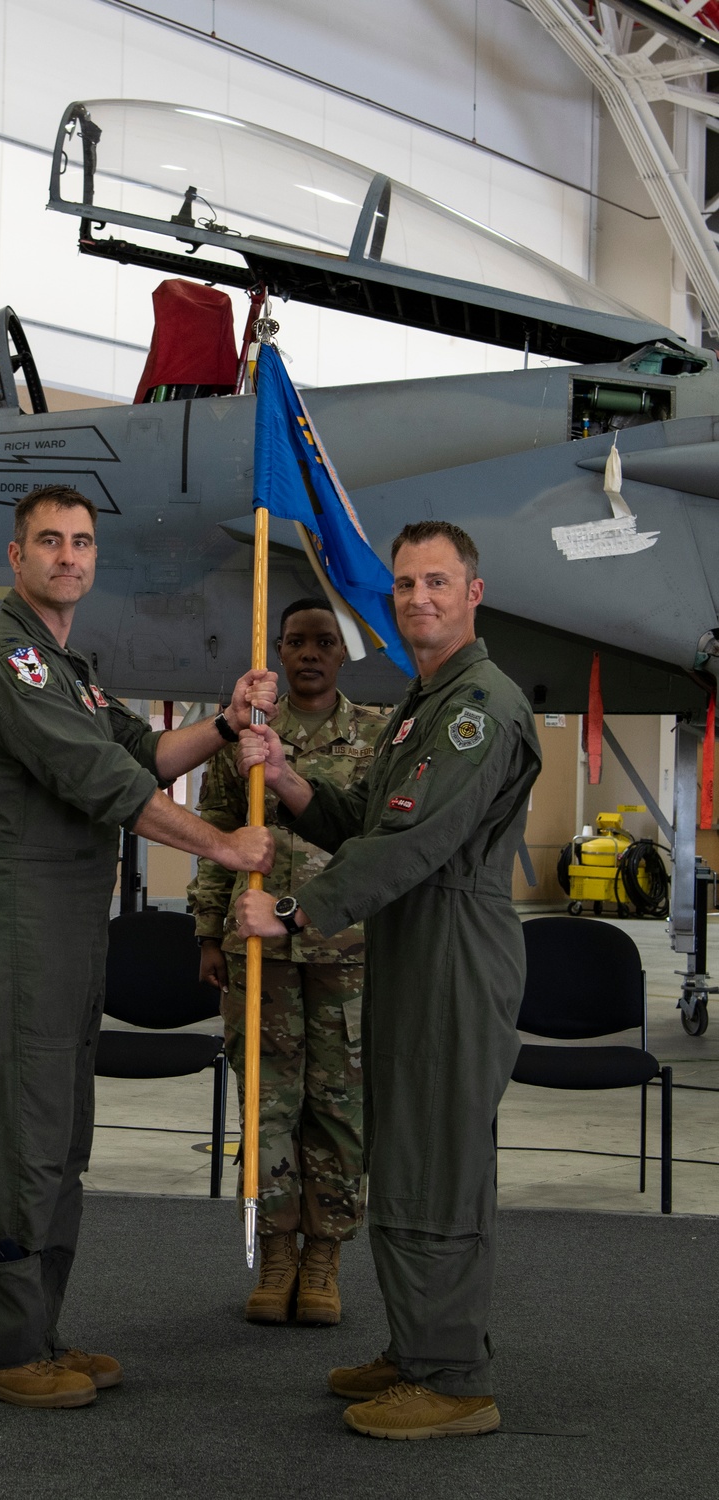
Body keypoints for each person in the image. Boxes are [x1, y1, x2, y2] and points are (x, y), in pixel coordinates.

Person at [0, 483, 275, 1409]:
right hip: (19, 909)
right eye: (49, 541)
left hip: (66, 918)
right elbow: (103, 783)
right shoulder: (10, 660)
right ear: (17, 557)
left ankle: (34, 1331)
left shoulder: (68, 666)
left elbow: (141, 753)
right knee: (21, 1135)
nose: (68, 556)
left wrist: (230, 722)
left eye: (82, 542)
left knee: (57, 1137)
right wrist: (224, 847)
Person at [236, 521, 541, 1441]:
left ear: (473, 593)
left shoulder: (476, 706)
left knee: (437, 1164)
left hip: (453, 946)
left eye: (437, 582)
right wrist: (290, 781)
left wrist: (294, 912)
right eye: (405, 584)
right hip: (414, 941)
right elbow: (371, 821)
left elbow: (414, 843)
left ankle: (451, 1378)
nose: (418, 598)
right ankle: (419, 1347)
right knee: (404, 1153)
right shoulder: (424, 703)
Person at [188, 599, 389, 1325]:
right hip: (256, 957)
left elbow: (379, 842)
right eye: (296, 642)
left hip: (347, 956)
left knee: (339, 1110)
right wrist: (209, 933)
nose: (310, 654)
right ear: (276, 651)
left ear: (343, 654)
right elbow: (214, 839)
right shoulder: (242, 737)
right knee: (267, 1106)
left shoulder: (375, 734)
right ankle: (275, 1255)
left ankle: (325, 1258)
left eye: (324, 642)